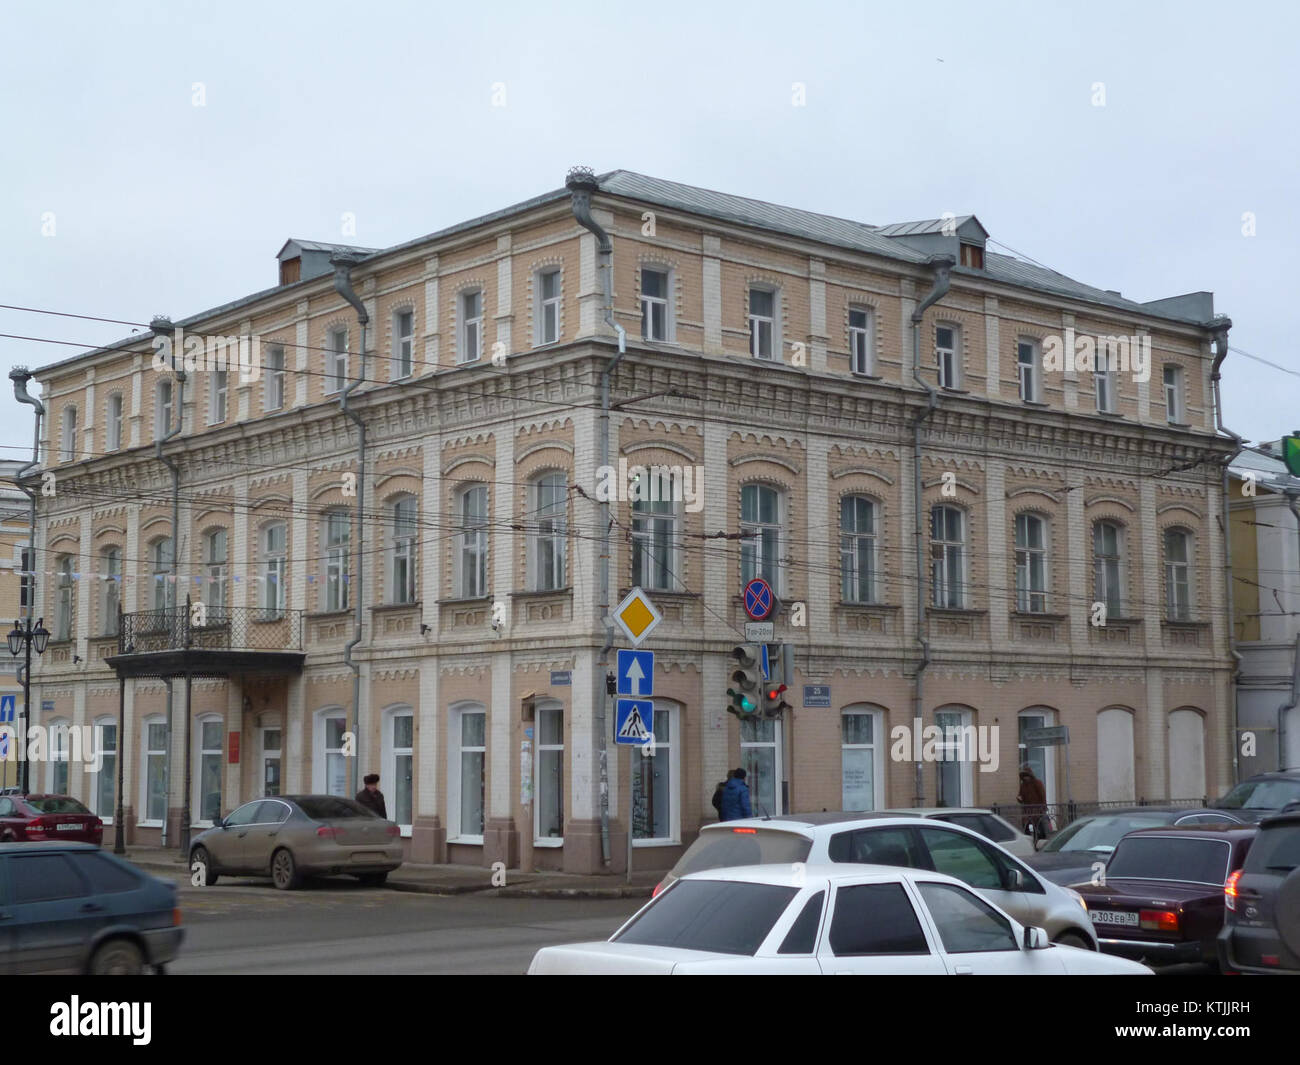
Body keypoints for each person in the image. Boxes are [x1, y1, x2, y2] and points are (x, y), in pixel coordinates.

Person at [1017, 764, 1047, 836]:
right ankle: (1029, 839)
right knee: (1026, 826)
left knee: (1038, 826)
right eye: (1024, 776)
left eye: (1027, 776)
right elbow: (1021, 796)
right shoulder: (1023, 785)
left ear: (1030, 776)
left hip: (1037, 809)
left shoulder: (1037, 783)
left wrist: (1043, 807)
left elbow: (1042, 795)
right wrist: (1019, 798)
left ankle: (1041, 839)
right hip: (1027, 810)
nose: (1026, 778)